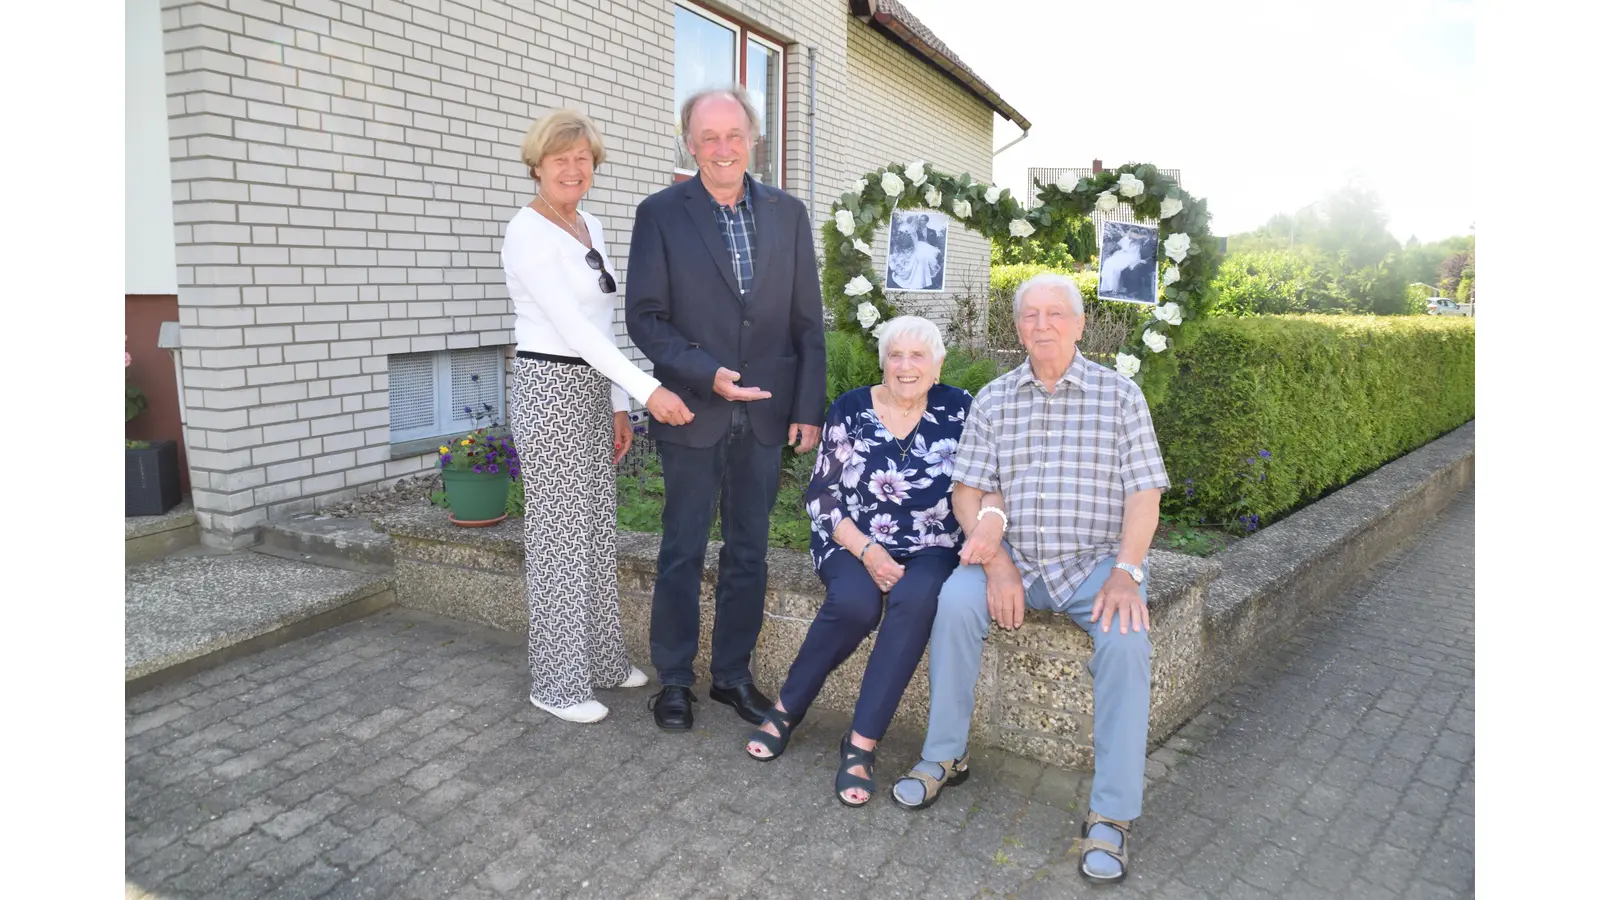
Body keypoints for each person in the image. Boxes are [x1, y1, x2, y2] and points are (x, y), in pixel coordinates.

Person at [890, 273, 1170, 886]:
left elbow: (1144, 495)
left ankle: (1113, 813)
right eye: (1030, 315)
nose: (1042, 325)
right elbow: (967, 492)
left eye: (1055, 314)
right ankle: (945, 756)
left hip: (1095, 564)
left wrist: (1127, 571)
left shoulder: (1119, 396)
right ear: (1016, 326)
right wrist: (996, 562)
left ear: (1078, 323)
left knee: (1126, 642)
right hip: (1012, 558)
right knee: (955, 604)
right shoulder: (994, 399)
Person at [625, 86, 828, 732]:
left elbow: (807, 321)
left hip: (766, 415)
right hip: (692, 409)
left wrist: (808, 408)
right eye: (708, 136)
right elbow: (646, 320)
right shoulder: (660, 214)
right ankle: (676, 680)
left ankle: (732, 677)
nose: (722, 147)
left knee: (750, 551)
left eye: (733, 134)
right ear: (689, 143)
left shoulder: (789, 215)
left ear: (753, 140)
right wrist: (705, 374)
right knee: (682, 548)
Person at [501, 109, 695, 724]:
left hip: (591, 387)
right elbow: (570, 329)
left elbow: (602, 324)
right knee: (559, 536)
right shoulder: (527, 231)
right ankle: (556, 683)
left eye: (582, 158)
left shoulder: (590, 224)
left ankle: (603, 661)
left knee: (594, 528)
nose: (572, 167)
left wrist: (616, 404)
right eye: (560, 158)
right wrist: (647, 391)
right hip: (549, 384)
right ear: (538, 164)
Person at [743, 316, 979, 807]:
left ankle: (861, 742)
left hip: (932, 543)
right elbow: (821, 495)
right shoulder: (851, 409)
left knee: (915, 602)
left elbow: (980, 482)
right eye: (896, 355)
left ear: (938, 366)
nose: (906, 366)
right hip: (852, 537)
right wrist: (868, 551)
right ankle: (789, 707)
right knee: (855, 602)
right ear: (883, 362)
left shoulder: (962, 409)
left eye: (919, 356)